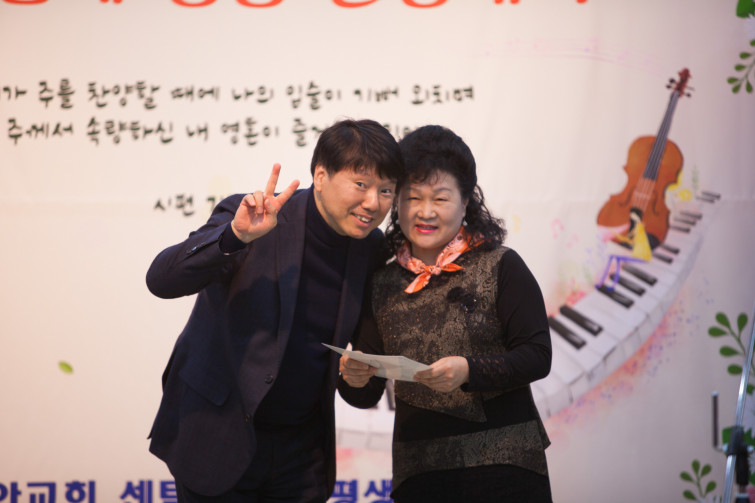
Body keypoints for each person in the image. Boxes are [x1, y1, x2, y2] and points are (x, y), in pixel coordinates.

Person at [145, 118, 405, 502]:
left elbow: (363, 391)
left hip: (301, 453)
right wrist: (234, 237)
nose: (374, 203)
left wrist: (359, 374)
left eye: (386, 191)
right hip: (217, 432)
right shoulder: (254, 218)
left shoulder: (370, 249)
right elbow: (161, 280)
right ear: (321, 176)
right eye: (361, 184)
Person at [338, 125, 553, 503]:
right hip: (420, 474)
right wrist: (352, 377)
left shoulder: (501, 265)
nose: (425, 212)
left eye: (440, 198)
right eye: (412, 197)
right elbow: (366, 393)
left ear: (466, 201)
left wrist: (469, 370)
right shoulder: (381, 283)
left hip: (505, 467)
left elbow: (537, 356)